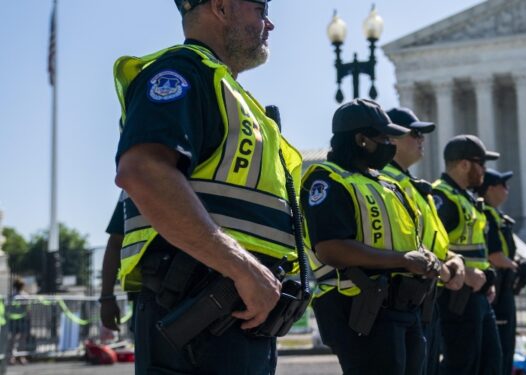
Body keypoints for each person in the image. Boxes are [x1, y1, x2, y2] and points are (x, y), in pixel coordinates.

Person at [114, 0, 304, 373]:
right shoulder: (182, 72)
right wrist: (244, 269)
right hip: (201, 315)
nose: (270, 23)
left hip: (234, 312)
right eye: (260, 7)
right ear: (221, 7)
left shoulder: (226, 90)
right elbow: (143, 172)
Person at [301, 99, 442, 375]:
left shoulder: (387, 184)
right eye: (385, 137)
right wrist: (402, 260)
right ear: (361, 140)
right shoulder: (328, 180)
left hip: (405, 309)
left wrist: (427, 257)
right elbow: (331, 249)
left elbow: (408, 240)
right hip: (362, 310)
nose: (391, 143)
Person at [383, 107, 466, 375]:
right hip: (407, 294)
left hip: (428, 293)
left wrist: (454, 260)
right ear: (392, 138)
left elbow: (434, 239)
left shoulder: (414, 184)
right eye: (415, 133)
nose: (422, 139)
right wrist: (445, 269)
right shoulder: (384, 182)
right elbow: (402, 242)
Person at [432, 135, 502, 375]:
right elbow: (429, 246)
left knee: (490, 364)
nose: (485, 170)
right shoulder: (442, 198)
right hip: (456, 296)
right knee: (461, 365)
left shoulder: (465, 197)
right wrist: (466, 273)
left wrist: (485, 279)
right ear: (464, 165)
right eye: (481, 163)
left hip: (478, 294)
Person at [478, 168, 518, 375]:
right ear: (490, 188)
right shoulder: (486, 215)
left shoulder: (496, 215)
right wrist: (515, 266)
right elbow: (494, 256)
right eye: (503, 185)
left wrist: (515, 264)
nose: (507, 189)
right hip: (497, 289)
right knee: (498, 350)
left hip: (504, 286)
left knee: (505, 347)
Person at [99, 200, 124, 332]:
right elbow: (115, 243)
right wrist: (107, 297)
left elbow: (114, 243)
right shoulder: (132, 181)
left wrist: (107, 298)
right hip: (152, 295)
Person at [8, 278, 30, 365]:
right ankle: (20, 357)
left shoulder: (12, 296)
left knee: (13, 339)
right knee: (21, 339)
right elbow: (28, 309)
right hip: (21, 319)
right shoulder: (25, 296)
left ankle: (13, 357)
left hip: (14, 319)